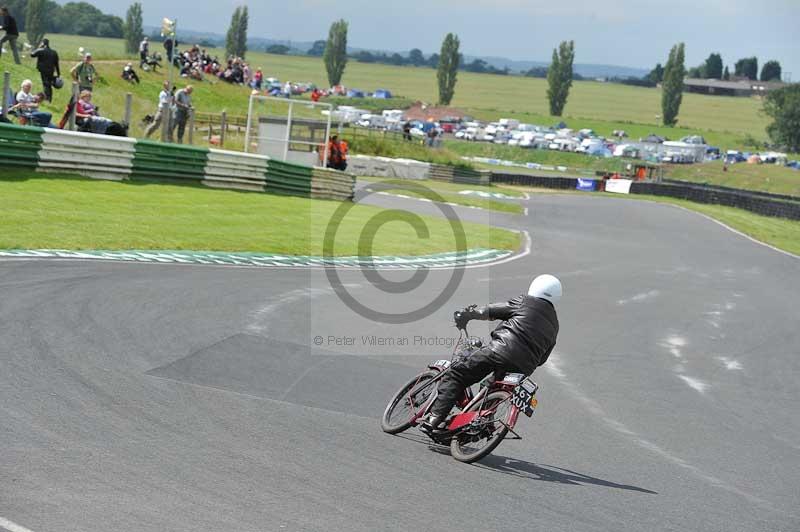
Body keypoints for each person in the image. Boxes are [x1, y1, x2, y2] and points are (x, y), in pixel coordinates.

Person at [420, 275, 562, 433]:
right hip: (523, 369)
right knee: (490, 388)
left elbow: (490, 310)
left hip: (499, 351)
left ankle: (434, 418)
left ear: (535, 287)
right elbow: (542, 360)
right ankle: (479, 423)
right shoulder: (555, 325)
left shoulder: (525, 302)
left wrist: (469, 314)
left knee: (457, 375)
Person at [30, 38, 60, 102]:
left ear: (43, 43)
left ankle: (46, 98)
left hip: (43, 70)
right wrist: (58, 73)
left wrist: (38, 48)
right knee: (49, 85)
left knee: (45, 84)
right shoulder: (54, 52)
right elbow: (56, 64)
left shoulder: (41, 50)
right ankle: (49, 99)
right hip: (51, 71)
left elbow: (32, 54)